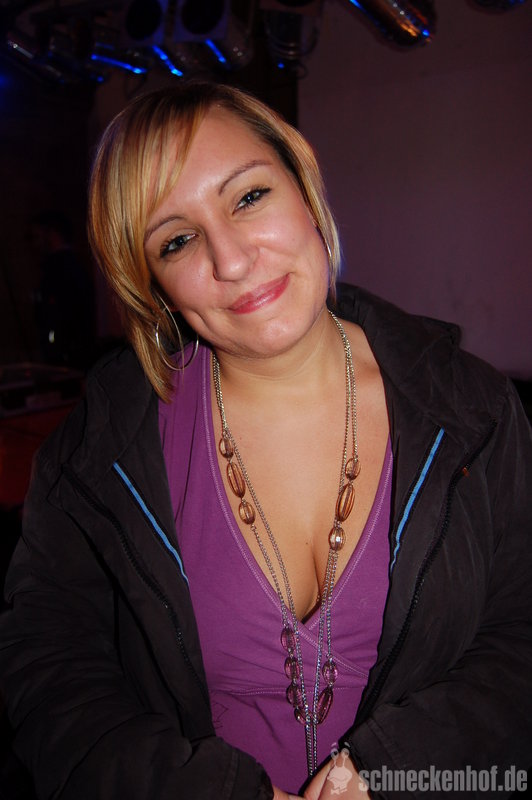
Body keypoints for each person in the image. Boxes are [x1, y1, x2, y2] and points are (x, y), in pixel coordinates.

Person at [0, 81, 531, 800]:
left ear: (305, 188)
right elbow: (52, 673)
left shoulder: (474, 412)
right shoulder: (96, 455)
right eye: (177, 240)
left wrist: (397, 770)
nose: (231, 259)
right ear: (151, 284)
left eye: (249, 197)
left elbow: (519, 633)